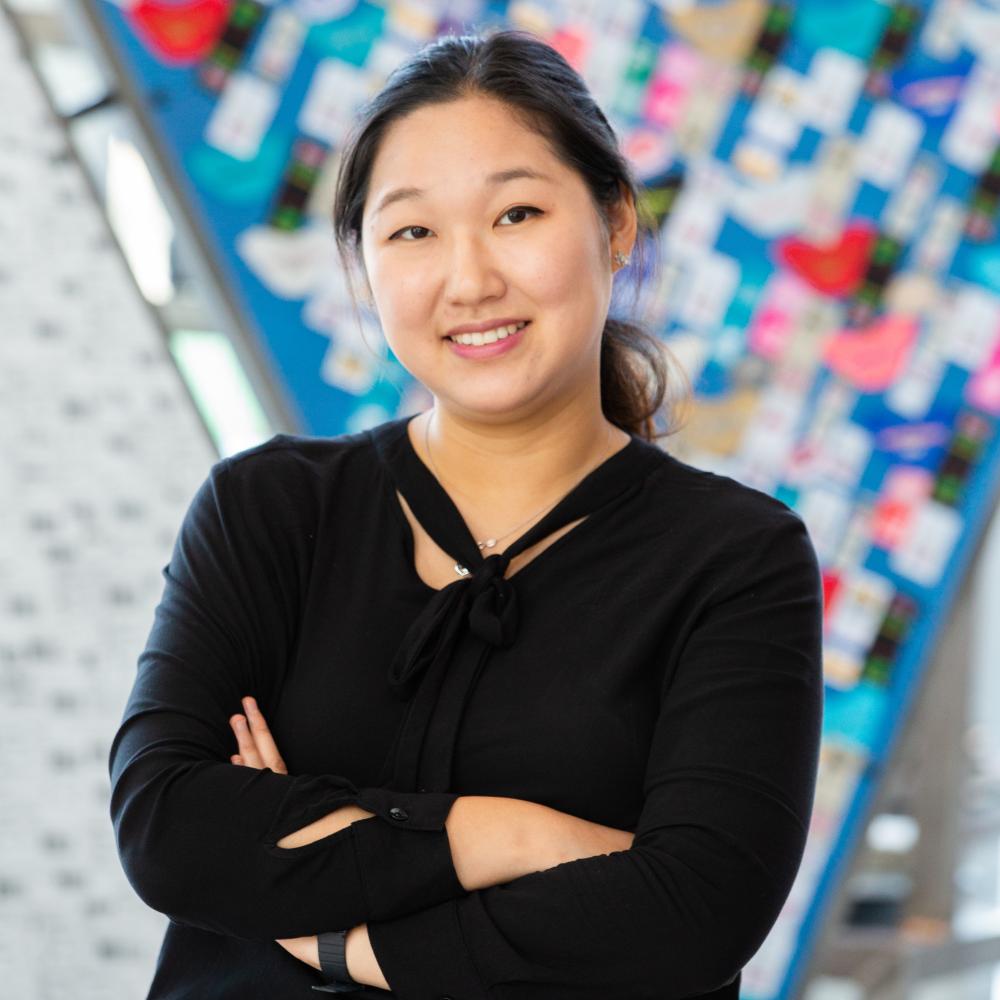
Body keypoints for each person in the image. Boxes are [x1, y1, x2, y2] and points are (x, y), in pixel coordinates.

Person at [108, 26, 825, 1000]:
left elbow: (693, 912)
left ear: (614, 222)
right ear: (364, 265)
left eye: (516, 213)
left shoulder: (736, 559)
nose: (470, 279)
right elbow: (170, 829)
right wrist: (512, 837)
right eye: (412, 231)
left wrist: (338, 934)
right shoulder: (267, 507)